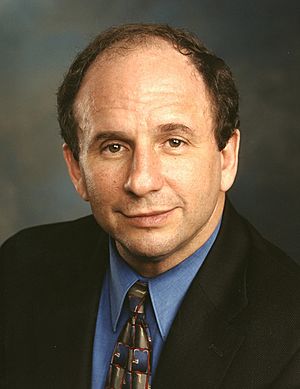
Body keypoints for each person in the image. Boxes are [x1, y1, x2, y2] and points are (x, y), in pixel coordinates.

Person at [1, 23, 300, 389]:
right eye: (114, 147)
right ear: (77, 169)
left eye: (173, 142)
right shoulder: (18, 270)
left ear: (226, 158)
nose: (142, 181)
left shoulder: (290, 334)